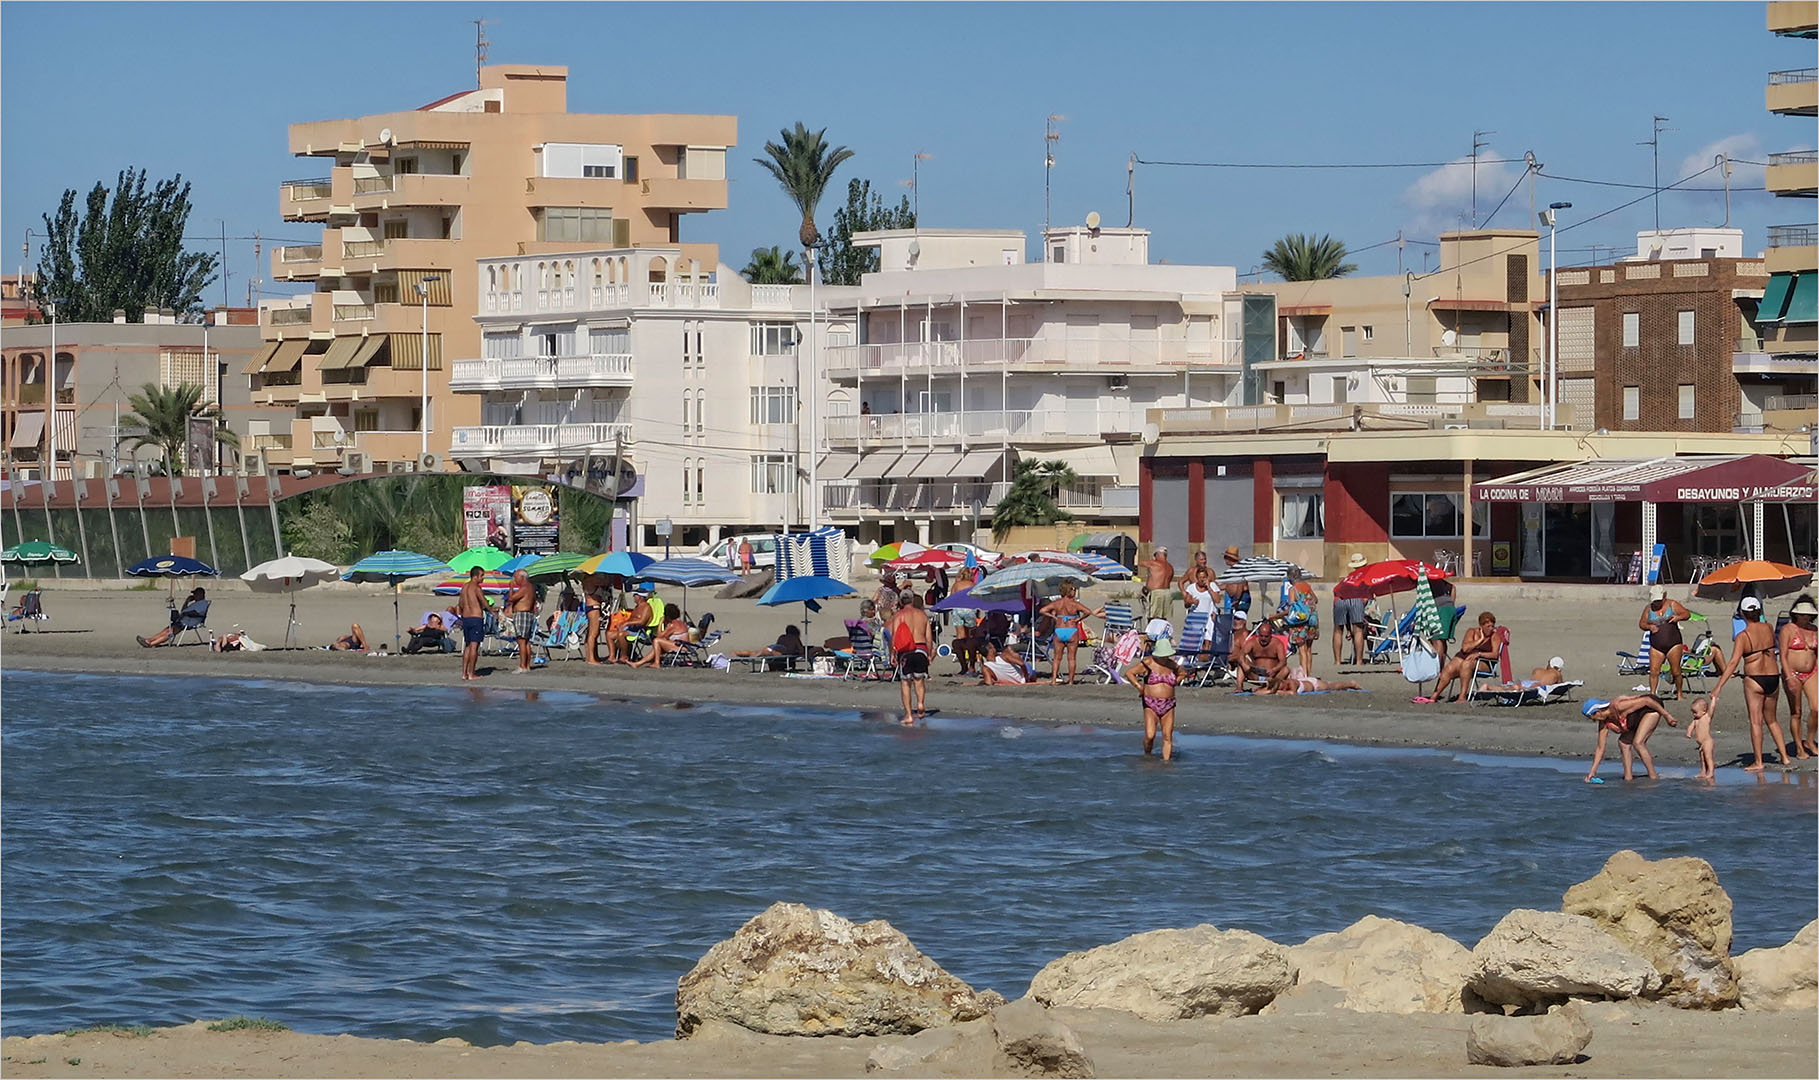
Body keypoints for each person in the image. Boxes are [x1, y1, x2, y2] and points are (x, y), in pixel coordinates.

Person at [1711, 596, 1794, 772]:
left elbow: (1733, 662)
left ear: (1742, 613)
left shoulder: (1743, 636)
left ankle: (1758, 761)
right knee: (1772, 720)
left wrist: (1719, 686)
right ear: (1759, 612)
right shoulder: (1769, 628)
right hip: (1773, 676)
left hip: (1755, 679)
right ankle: (1785, 757)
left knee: (1756, 721)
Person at [1582, 693, 1679, 782]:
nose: (1593, 721)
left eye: (1592, 718)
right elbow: (1600, 748)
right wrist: (1592, 772)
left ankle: (1653, 776)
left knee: (1638, 743)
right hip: (1634, 719)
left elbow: (1647, 700)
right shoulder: (1604, 722)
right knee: (1623, 742)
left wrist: (1667, 716)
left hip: (1651, 708)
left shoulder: (1618, 706)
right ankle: (1628, 778)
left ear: (1597, 712)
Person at [1122, 632, 1181, 761]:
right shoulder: (1148, 663)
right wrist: (1139, 687)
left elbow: (1183, 673)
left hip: (1169, 703)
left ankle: (1166, 763)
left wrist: (1175, 682)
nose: (1165, 658)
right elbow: (1129, 673)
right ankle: (1147, 755)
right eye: (1163, 655)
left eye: (1167, 655)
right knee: (1150, 735)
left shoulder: (1172, 665)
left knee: (1167, 736)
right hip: (1150, 702)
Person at [1429, 611, 1500, 704]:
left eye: (1492, 626)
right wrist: (1480, 640)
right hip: (1465, 657)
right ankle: (1434, 697)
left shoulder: (1494, 636)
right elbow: (1465, 649)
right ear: (1481, 626)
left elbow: (1495, 655)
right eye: (1488, 626)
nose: (1491, 629)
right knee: (1450, 667)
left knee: (1466, 664)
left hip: (1484, 662)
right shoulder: (1472, 632)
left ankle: (1462, 697)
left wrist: (1479, 654)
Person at [1040, 581, 1104, 685]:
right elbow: (1088, 612)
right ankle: (1070, 681)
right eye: (1074, 589)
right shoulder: (1074, 604)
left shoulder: (1057, 603)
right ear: (1069, 591)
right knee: (1071, 658)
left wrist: (1054, 617)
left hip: (1059, 630)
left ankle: (1053, 680)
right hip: (1071, 630)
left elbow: (1043, 610)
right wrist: (1079, 618)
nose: (1075, 591)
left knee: (1057, 658)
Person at [1779, 595, 1819, 759]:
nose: (1806, 617)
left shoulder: (1814, 629)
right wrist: (1789, 676)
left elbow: (1816, 653)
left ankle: (1809, 740)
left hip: (1811, 672)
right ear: (1795, 614)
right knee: (1796, 712)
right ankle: (1798, 747)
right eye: (1802, 614)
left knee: (1816, 708)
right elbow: (1782, 655)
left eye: (1808, 614)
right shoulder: (1787, 629)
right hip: (1792, 673)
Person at [1640, 584, 1692, 700]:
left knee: (1676, 671)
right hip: (1656, 645)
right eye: (1655, 601)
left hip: (1673, 643)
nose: (1657, 604)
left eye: (1659, 601)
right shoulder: (1649, 609)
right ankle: (1653, 694)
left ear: (1664, 596)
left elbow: (1687, 614)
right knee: (1654, 671)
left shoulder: (1672, 604)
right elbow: (1642, 623)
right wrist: (1650, 627)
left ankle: (1679, 693)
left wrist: (1677, 618)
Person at [890, 593, 933, 725]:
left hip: (906, 651)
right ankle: (920, 703)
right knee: (919, 681)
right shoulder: (922, 615)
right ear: (913, 600)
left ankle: (909, 715)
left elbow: (895, 637)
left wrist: (893, 653)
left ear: (901, 601)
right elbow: (929, 638)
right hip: (921, 649)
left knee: (905, 682)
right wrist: (929, 654)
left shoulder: (899, 615)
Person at [137, 587, 209, 648]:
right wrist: (186, 601)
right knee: (167, 629)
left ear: (200, 594)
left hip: (190, 622)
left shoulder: (203, 603)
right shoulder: (195, 603)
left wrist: (185, 613)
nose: (194, 595)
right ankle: (149, 640)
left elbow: (198, 613)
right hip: (184, 619)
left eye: (195, 594)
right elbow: (183, 610)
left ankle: (151, 643)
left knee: (171, 632)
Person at [1332, 553, 1370, 666]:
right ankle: (1358, 661)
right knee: (1358, 630)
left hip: (1340, 599)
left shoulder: (1349, 577)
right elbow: (1366, 595)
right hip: (1355, 598)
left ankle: (1337, 661)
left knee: (1338, 631)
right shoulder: (1365, 576)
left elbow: (1336, 590)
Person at [1275, 577, 1320, 674]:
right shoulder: (1307, 586)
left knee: (1302, 649)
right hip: (1312, 619)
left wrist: (1276, 616)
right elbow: (1315, 600)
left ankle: (1304, 676)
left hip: (1301, 621)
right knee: (1308, 649)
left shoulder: (1293, 589)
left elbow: (1291, 609)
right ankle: (1308, 673)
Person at [1230, 611, 1286, 687]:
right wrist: (1244, 664)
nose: (1263, 638)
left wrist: (1274, 669)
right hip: (1255, 674)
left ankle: (1273, 684)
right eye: (1261, 636)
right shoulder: (1253, 642)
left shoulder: (1277, 644)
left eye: (1266, 636)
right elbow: (1241, 654)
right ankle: (1239, 687)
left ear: (1271, 635)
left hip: (1272, 674)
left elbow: (1283, 661)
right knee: (1241, 664)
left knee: (1286, 670)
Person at [457, 566, 490, 680]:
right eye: (482, 575)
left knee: (467, 646)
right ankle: (472, 674)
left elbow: (460, 604)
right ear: (475, 576)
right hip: (476, 618)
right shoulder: (476, 588)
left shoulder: (464, 587)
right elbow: (484, 602)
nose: (483, 578)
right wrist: (492, 611)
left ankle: (464, 673)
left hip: (466, 618)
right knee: (474, 647)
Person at [607, 589, 653, 664]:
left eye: (635, 595)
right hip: (631, 629)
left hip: (640, 631)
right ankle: (612, 657)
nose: (634, 597)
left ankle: (624, 656)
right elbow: (631, 619)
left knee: (621, 634)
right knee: (609, 634)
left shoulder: (646, 608)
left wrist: (626, 624)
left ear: (641, 597)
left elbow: (642, 622)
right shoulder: (637, 607)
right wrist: (622, 623)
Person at [733, 624, 806, 670]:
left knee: (757, 652)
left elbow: (778, 644)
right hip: (779, 652)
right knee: (762, 653)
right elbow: (801, 650)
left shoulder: (782, 636)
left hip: (773, 647)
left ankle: (738, 653)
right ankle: (753, 656)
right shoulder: (795, 638)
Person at [506, 569, 538, 674]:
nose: (515, 580)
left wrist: (511, 587)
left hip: (522, 614)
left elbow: (511, 598)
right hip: (528, 614)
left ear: (522, 577)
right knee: (526, 641)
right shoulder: (531, 587)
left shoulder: (525, 587)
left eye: (516, 577)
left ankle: (522, 666)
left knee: (521, 641)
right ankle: (527, 665)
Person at [1254, 667, 1365, 695]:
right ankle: (1349, 684)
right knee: (1333, 685)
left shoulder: (1291, 683)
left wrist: (1277, 692)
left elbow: (1293, 693)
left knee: (1333, 686)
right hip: (1305, 681)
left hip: (1314, 684)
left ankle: (1351, 683)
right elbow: (1258, 693)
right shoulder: (1279, 686)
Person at [1141, 546, 1176, 623]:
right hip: (1167, 592)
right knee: (1163, 617)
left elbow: (1140, 563)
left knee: (1152, 617)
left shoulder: (1153, 563)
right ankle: (1161, 632)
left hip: (1156, 593)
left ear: (1157, 554)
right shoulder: (1170, 567)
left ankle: (1152, 633)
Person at [1686, 696, 1717, 780]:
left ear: (1703, 711)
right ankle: (1703, 771)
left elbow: (1712, 709)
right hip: (1701, 744)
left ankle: (1711, 772)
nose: (1694, 714)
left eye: (1695, 712)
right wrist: (1689, 733)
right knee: (1702, 759)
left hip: (1707, 742)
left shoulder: (1706, 717)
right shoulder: (1695, 720)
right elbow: (1690, 726)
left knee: (1708, 757)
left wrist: (1714, 699)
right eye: (1692, 712)